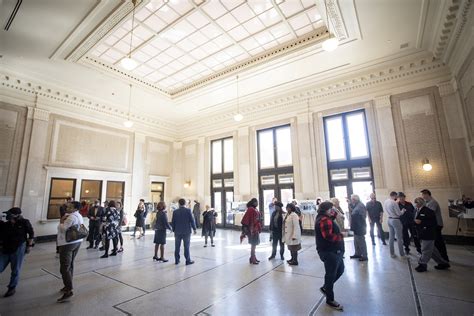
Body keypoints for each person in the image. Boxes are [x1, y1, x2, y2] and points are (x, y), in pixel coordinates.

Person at [315, 201, 345, 311]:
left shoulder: (325, 217)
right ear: (327, 209)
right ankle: (330, 299)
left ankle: (325, 288)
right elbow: (328, 236)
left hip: (335, 251)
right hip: (329, 252)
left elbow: (332, 219)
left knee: (340, 270)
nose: (333, 211)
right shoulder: (324, 220)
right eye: (331, 208)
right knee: (331, 275)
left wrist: (336, 212)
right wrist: (341, 235)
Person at [0, 207, 34, 297]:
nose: (7, 216)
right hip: (5, 248)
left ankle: (12, 287)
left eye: (9, 214)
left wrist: (29, 246)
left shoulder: (24, 222)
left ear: (15, 215)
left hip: (18, 248)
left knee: (15, 269)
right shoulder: (5, 224)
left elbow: (31, 233)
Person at [57, 201, 84, 302]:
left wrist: (61, 221)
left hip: (67, 243)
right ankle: (67, 285)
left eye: (70, 206)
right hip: (77, 241)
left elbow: (63, 229)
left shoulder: (71, 217)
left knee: (64, 267)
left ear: (75, 208)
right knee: (70, 264)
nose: (67, 207)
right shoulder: (79, 215)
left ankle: (69, 290)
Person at [413, 197, 450, 272]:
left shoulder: (428, 211)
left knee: (425, 249)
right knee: (433, 251)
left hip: (428, 234)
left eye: (416, 202)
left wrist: (421, 222)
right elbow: (416, 220)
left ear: (420, 203)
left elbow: (433, 223)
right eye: (415, 202)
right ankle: (443, 263)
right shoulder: (417, 210)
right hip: (422, 234)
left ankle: (422, 264)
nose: (415, 204)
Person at [421, 189, 449, 262]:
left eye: (423, 194)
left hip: (436, 224)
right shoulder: (427, 203)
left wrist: (422, 212)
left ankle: (444, 258)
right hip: (433, 225)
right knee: (436, 242)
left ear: (427, 194)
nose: (422, 196)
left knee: (439, 242)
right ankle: (441, 258)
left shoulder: (433, 202)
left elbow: (429, 213)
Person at [171, 198, 197, 265]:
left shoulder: (175, 212)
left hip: (177, 232)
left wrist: (173, 229)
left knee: (177, 247)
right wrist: (194, 229)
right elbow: (192, 220)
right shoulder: (188, 211)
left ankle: (177, 260)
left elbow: (173, 222)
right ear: (185, 203)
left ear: (179, 204)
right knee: (186, 247)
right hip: (186, 232)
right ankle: (187, 260)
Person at [384, 191, 405, 258]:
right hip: (395, 220)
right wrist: (403, 211)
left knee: (391, 237)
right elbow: (399, 213)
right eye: (397, 196)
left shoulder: (386, 201)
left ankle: (392, 254)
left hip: (389, 219)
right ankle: (402, 255)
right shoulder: (394, 202)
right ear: (394, 195)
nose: (397, 198)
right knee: (399, 238)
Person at [241, 198, 262, 265]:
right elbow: (246, 219)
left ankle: (253, 257)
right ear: (253, 202)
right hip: (252, 230)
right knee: (253, 244)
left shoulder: (255, 209)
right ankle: (252, 258)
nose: (257, 203)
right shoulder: (250, 209)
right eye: (256, 202)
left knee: (254, 244)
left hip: (256, 229)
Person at [349, 195, 368, 261]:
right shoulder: (357, 205)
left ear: (355, 199)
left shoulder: (360, 205)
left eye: (352, 199)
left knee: (361, 241)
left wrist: (359, 226)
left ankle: (364, 255)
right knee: (356, 241)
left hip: (359, 226)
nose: (351, 201)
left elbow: (362, 216)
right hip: (356, 226)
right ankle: (357, 253)